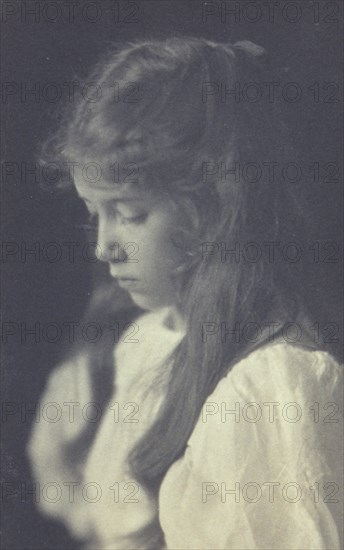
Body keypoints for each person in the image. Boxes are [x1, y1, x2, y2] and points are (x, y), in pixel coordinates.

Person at [27, 36, 343, 550]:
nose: (104, 249)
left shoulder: (271, 388)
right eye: (94, 216)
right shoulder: (150, 338)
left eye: (130, 215)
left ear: (216, 212)